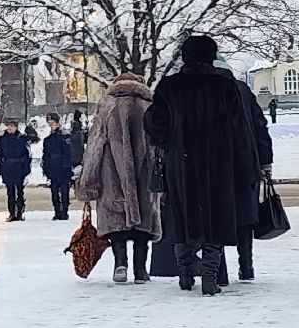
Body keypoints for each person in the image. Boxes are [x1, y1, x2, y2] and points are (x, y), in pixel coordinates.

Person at [146, 35, 256, 297]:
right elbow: (240, 131)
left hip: (180, 163)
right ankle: (209, 276)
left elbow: (154, 123)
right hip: (219, 164)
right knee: (215, 218)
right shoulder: (225, 87)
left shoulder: (169, 86)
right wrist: (246, 167)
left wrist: (168, 141)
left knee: (181, 215)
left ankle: (185, 274)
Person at [77, 73, 158, 284]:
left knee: (116, 222)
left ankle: (120, 264)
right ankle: (141, 270)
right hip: (145, 173)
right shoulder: (149, 107)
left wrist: (87, 181)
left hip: (111, 175)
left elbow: (95, 146)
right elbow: (159, 145)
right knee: (144, 220)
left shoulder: (107, 107)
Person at [216, 65, 272, 283]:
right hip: (245, 164)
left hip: (215, 165)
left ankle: (219, 271)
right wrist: (265, 160)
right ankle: (246, 267)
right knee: (245, 217)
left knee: (216, 217)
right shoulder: (242, 90)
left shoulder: (207, 90)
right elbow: (260, 126)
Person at [0, 117, 32, 222]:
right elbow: (0, 155)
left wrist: (26, 169)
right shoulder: (3, 139)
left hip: (19, 167)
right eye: (8, 126)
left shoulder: (22, 138)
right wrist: (1, 169)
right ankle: (12, 212)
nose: (10, 128)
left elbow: (27, 155)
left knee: (19, 191)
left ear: (16, 127)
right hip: (7, 167)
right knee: (10, 192)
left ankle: (19, 212)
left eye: (12, 126)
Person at [41, 113, 73, 221]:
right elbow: (46, 155)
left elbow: (68, 153)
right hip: (53, 168)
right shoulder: (48, 139)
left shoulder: (65, 137)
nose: (51, 125)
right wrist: (46, 168)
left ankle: (64, 211)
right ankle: (57, 211)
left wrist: (67, 167)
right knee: (54, 191)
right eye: (50, 123)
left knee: (64, 191)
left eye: (53, 123)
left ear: (57, 123)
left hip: (63, 168)